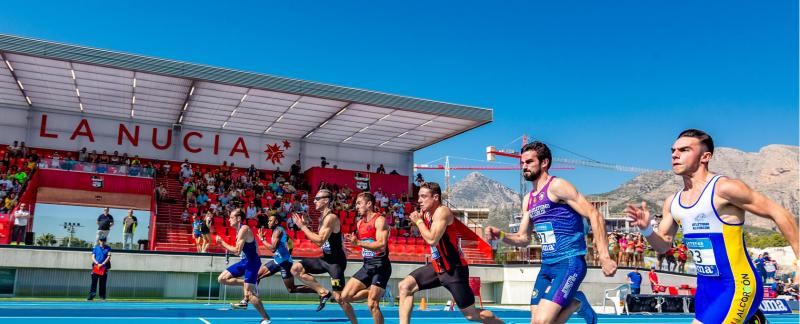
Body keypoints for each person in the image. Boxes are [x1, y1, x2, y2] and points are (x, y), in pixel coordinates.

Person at [626, 129, 799, 324]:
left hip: (738, 284)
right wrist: (646, 229)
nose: (675, 154)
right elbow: (663, 246)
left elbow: (781, 214)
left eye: (684, 150)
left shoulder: (724, 188)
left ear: (705, 157)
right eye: (673, 150)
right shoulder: (672, 202)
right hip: (706, 288)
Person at [485, 141, 616, 324]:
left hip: (569, 262)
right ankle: (575, 302)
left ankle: (575, 303)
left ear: (544, 162)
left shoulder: (557, 186)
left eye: (529, 162)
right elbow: (523, 238)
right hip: (547, 266)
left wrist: (604, 256)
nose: (524, 167)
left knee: (542, 323)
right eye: (522, 163)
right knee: (536, 322)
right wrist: (500, 235)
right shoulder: (528, 200)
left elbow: (594, 215)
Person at [399, 182, 502, 324]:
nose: (419, 200)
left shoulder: (443, 212)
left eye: (423, 196)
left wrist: (418, 222)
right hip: (437, 267)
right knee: (405, 286)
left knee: (471, 315)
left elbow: (432, 239)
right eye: (418, 197)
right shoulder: (426, 213)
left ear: (435, 197)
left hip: (454, 270)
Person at [291, 190, 355, 320]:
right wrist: (341, 243)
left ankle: (354, 322)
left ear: (326, 200)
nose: (314, 201)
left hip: (335, 263)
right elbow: (335, 234)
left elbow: (320, 241)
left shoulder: (331, 217)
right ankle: (323, 292)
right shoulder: (323, 218)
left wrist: (303, 227)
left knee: (339, 298)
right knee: (295, 269)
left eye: (317, 198)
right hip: (324, 259)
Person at [340, 192, 391, 324]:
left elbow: (381, 246)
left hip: (381, 266)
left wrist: (358, 243)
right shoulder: (359, 223)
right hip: (367, 265)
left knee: (372, 304)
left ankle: (375, 293)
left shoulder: (380, 220)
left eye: (359, 203)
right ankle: (374, 291)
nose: (356, 206)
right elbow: (365, 244)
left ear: (369, 204)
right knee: (345, 296)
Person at [215, 209, 271, 324]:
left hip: (252, 262)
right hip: (244, 261)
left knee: (249, 294)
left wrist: (222, 243)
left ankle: (266, 318)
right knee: (222, 279)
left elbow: (236, 251)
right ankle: (248, 284)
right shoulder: (238, 230)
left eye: (231, 217)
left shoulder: (244, 229)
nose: (229, 219)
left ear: (238, 218)